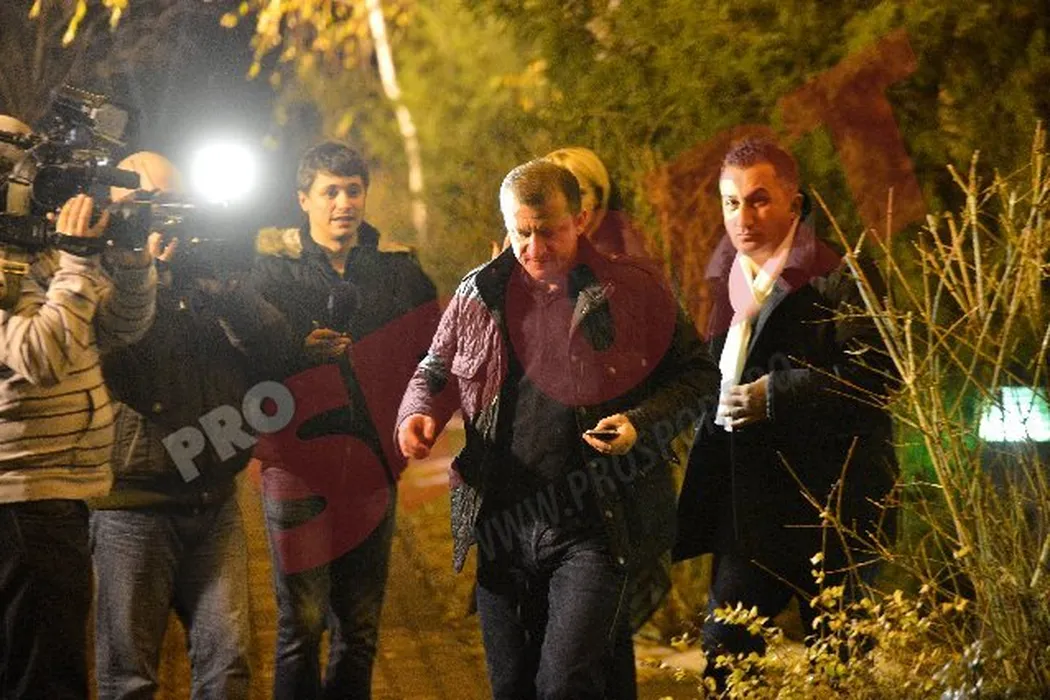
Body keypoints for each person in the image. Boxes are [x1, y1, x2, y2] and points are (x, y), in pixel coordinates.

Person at [397, 159, 719, 699]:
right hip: (502, 529)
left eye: (549, 232)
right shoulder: (480, 292)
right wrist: (417, 411)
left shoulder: (632, 289)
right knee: (513, 687)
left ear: (581, 219)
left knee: (565, 684)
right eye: (521, 232)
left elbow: (698, 377)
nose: (535, 248)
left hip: (595, 527)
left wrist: (639, 424)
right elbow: (435, 368)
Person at [673, 137, 899, 680]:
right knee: (726, 658)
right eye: (731, 203)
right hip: (750, 514)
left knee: (840, 671)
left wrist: (774, 395)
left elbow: (880, 373)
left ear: (794, 204)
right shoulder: (725, 277)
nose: (743, 217)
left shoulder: (842, 271)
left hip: (834, 510)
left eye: (759, 200)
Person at [90, 152, 293, 700]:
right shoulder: (98, 277)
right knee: (130, 677)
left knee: (229, 666)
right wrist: (148, 277)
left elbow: (277, 352)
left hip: (214, 498)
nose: (163, 219)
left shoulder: (207, 270)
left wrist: (227, 289)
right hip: (133, 506)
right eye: (147, 205)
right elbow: (135, 372)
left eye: (174, 204)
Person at [251, 141, 438, 699]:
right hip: (296, 465)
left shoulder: (399, 272)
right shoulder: (273, 273)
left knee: (358, 626)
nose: (343, 203)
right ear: (303, 199)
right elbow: (247, 357)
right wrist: (295, 350)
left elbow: (435, 350)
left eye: (353, 190)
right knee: (302, 623)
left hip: (371, 464)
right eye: (330, 191)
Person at [0, 119, 157, 700]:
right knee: (45, 678)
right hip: (24, 500)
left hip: (55, 494)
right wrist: (76, 263)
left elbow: (120, 328)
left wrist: (132, 261)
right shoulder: (21, 261)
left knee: (48, 665)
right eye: (28, 170)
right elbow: (41, 356)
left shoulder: (40, 253)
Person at [542, 147, 648, 259]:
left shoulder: (623, 251)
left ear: (598, 196)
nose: (567, 206)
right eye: (553, 197)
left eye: (578, 195)